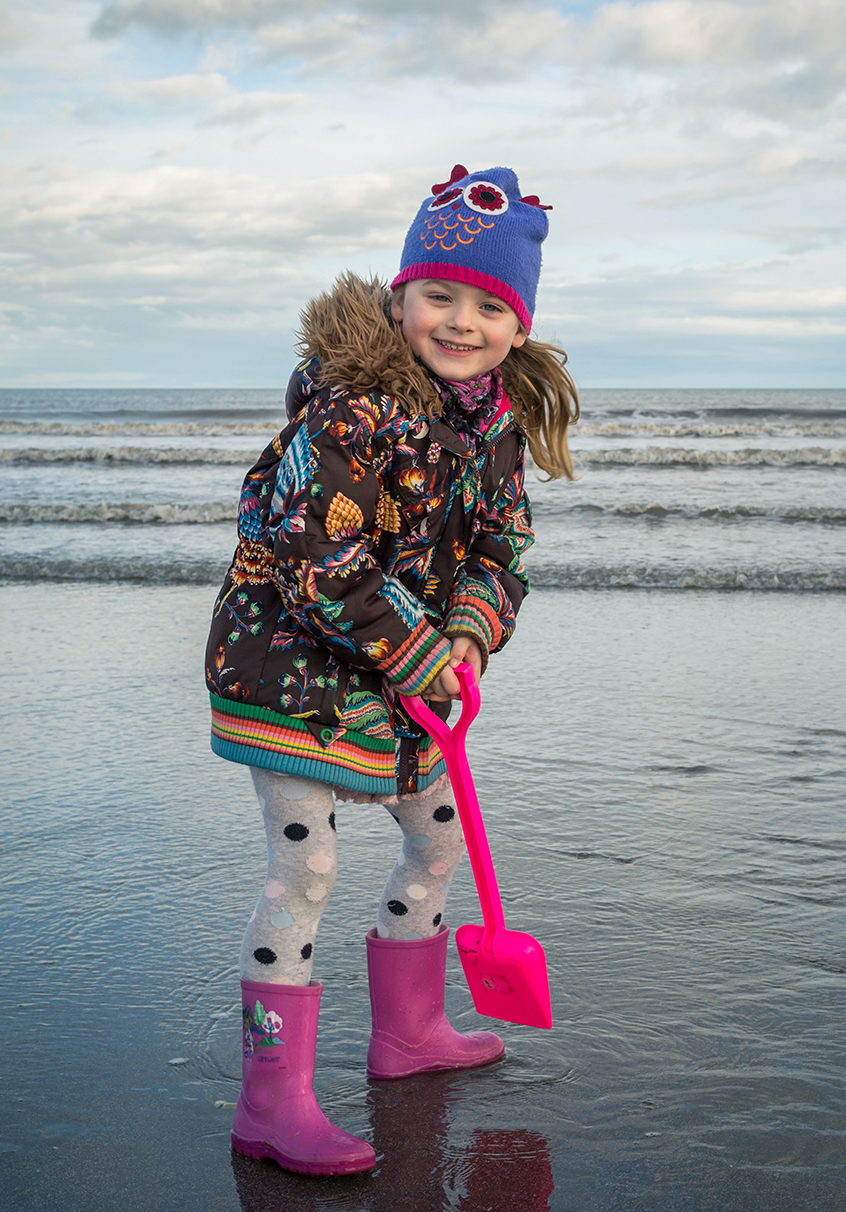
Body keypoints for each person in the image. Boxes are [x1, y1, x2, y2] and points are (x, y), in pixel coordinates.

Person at [204, 165, 579, 1176]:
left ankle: (407, 1036)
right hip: (290, 669)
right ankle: (270, 1101)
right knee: (308, 867)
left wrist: (466, 636)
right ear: (402, 296)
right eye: (441, 295)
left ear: (518, 324)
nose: (462, 322)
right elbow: (314, 553)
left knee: (437, 842)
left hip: (405, 681)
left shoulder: (492, 427)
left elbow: (504, 549)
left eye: (489, 306)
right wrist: (415, 652)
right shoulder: (350, 412)